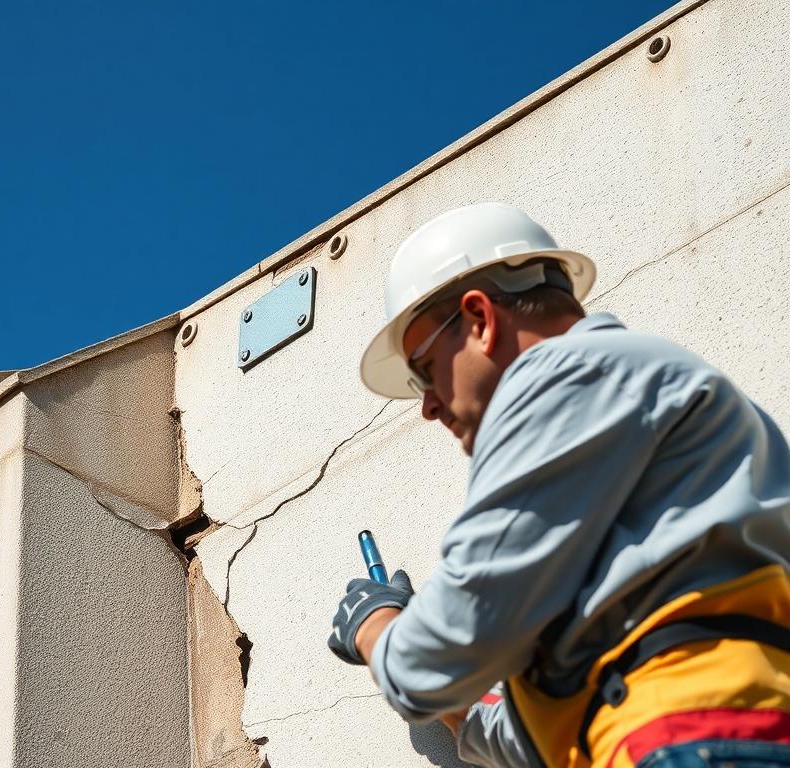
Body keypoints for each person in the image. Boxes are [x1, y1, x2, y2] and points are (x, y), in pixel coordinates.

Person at [326, 203, 790, 768]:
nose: (426, 405)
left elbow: (434, 658)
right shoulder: (630, 517)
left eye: (424, 369)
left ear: (479, 319)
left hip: (699, 738)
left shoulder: (568, 374)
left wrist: (377, 628)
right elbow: (524, 735)